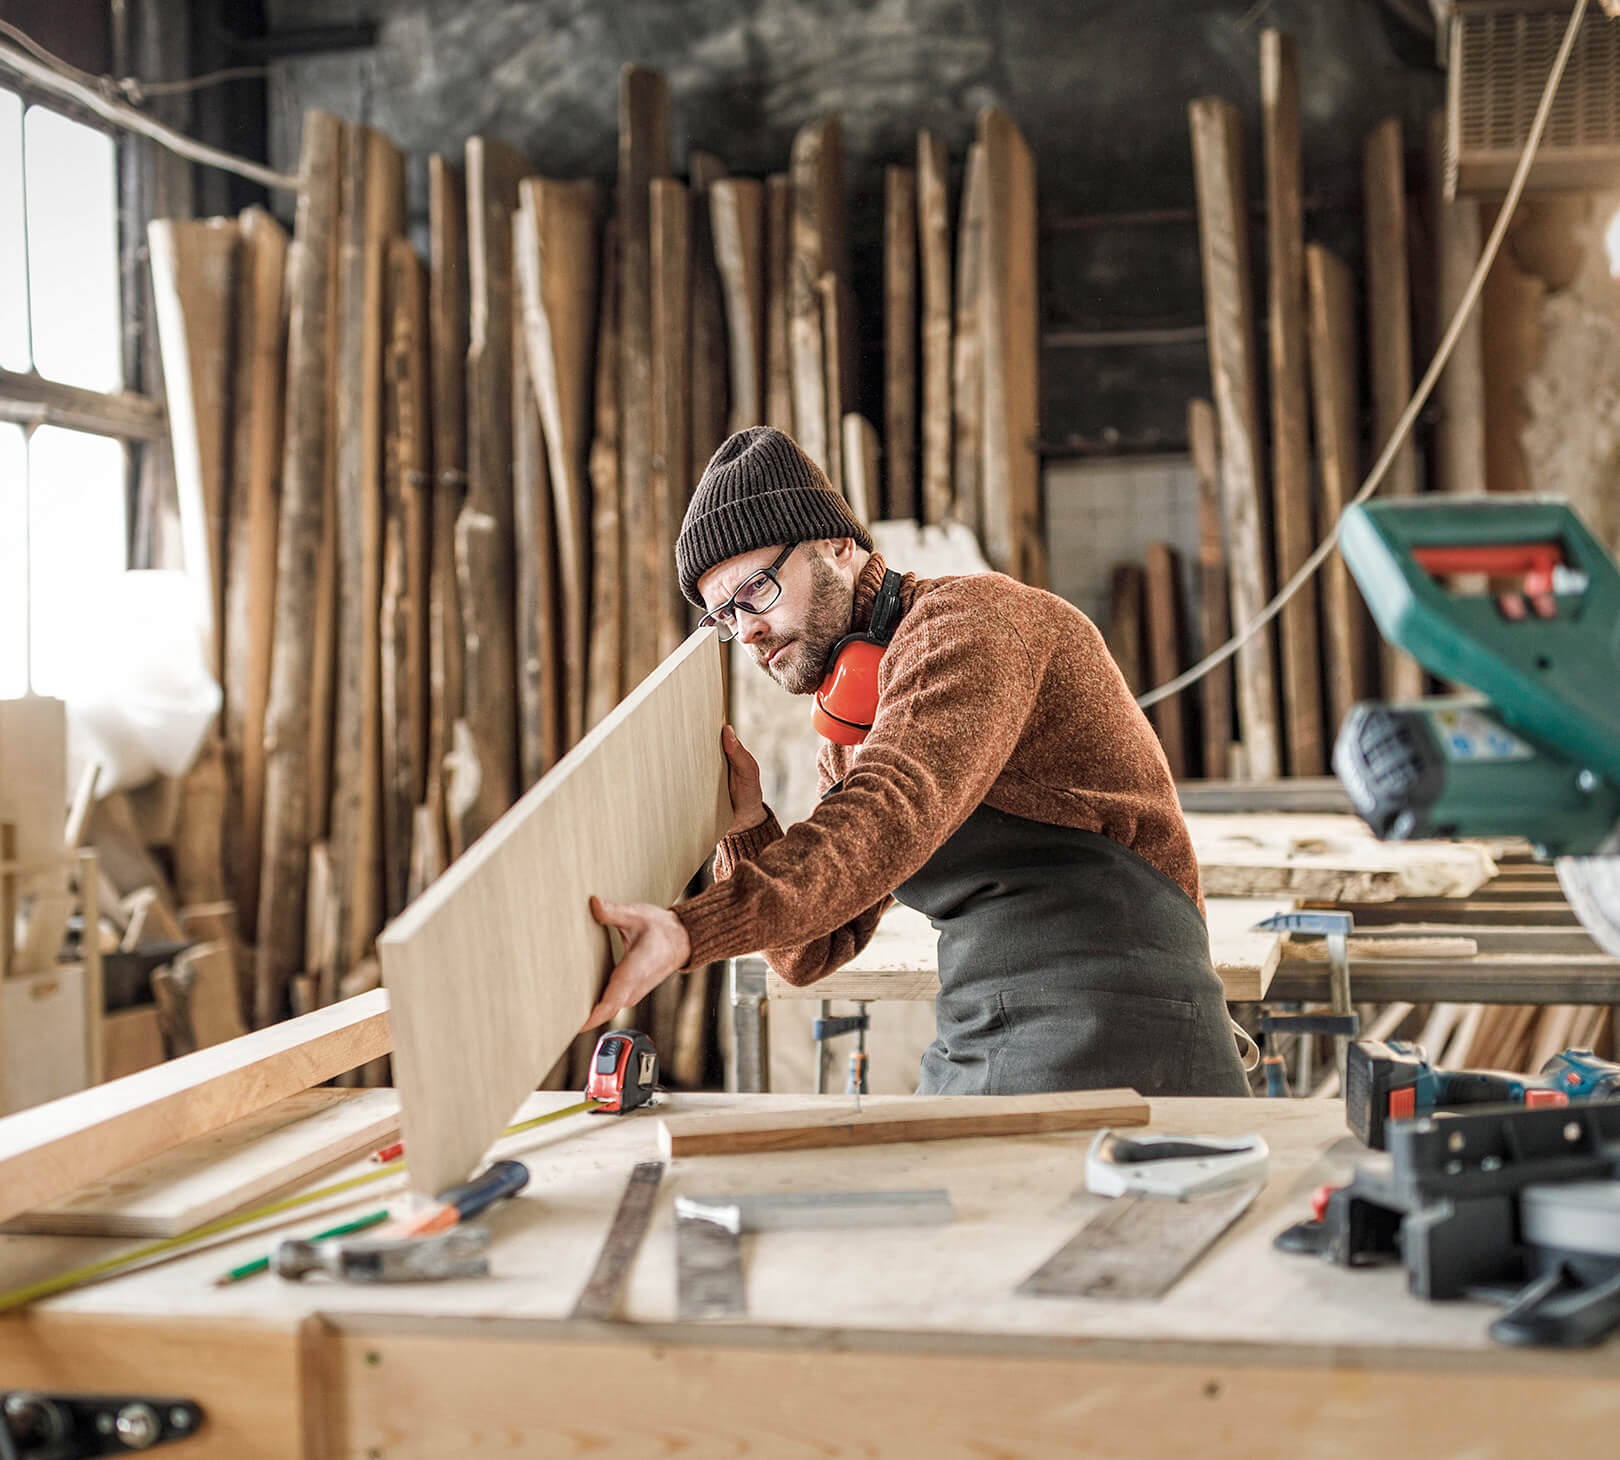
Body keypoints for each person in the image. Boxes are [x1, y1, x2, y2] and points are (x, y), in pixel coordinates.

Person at [586, 425, 1250, 1097]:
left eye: (757, 588)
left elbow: (889, 809)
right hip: (988, 1027)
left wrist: (687, 930)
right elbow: (810, 951)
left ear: (836, 545)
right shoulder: (853, 725)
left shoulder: (973, 624)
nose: (748, 629)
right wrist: (746, 823)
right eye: (725, 616)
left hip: (1122, 1020)